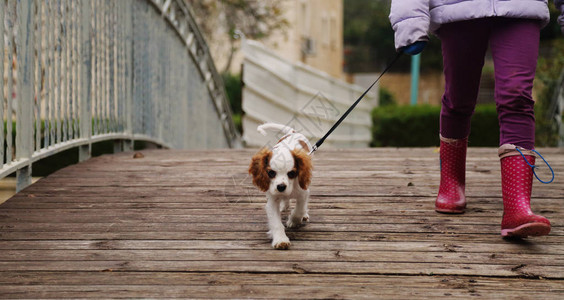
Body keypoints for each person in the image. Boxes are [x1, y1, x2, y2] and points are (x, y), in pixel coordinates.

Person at [389, 0, 564, 238]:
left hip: (522, 7)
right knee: (458, 99)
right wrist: (410, 21)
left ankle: (517, 207)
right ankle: (451, 183)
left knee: (518, 98)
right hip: (458, 9)